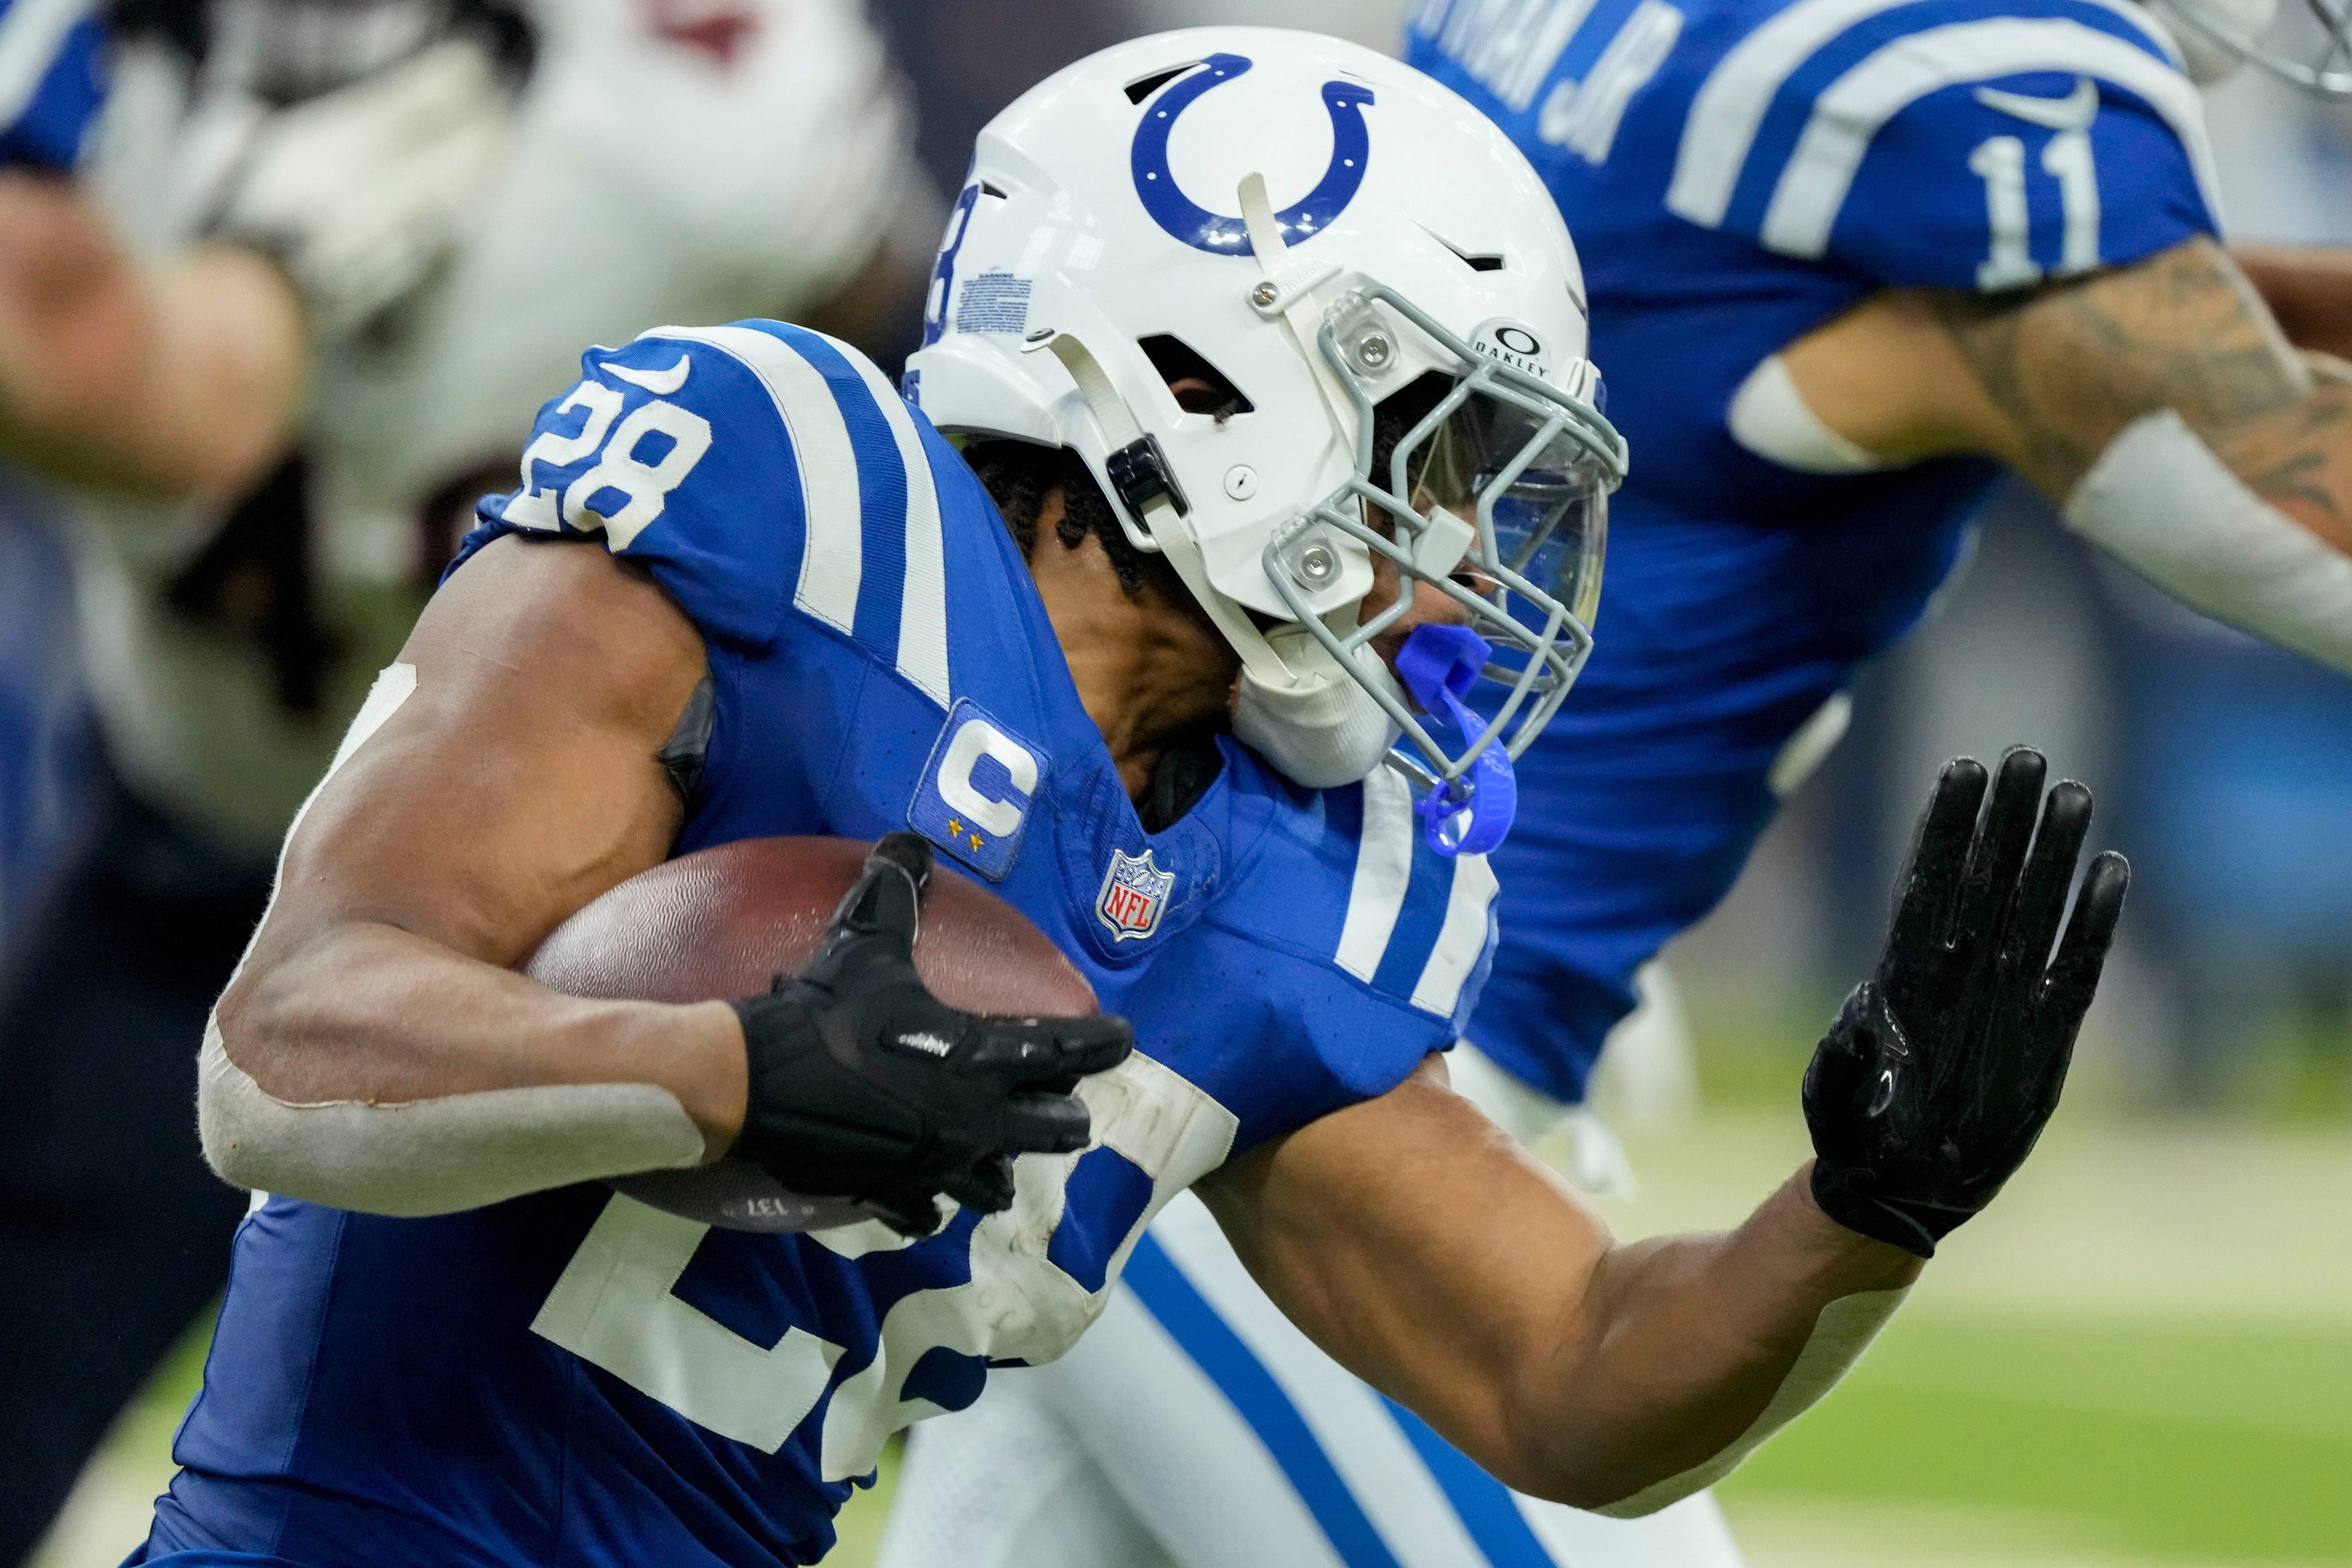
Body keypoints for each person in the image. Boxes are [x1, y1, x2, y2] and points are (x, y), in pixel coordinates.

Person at [129, 29, 2122, 1568]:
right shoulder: (791, 506)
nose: (1455, 558)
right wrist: (724, 1065)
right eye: (1432, 457)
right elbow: (286, 1045)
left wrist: (1858, 1214)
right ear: (1219, 373)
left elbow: (1573, 1366)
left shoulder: (1278, 864)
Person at [879, 1, 2352, 1566]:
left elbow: (2092, 316)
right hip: (1288, 1072)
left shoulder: (1645, 56)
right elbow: (2242, 456)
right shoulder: (1975, 88)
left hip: (1221, 1031)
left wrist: (1866, 1203)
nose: (1453, 571)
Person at [1, 0, 935, 1556]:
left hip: (554, 908)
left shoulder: (706, 106)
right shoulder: (82, 61)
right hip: (193, 827)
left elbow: (881, 403)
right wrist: (272, 270)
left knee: (505, 1489)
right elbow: (147, 392)